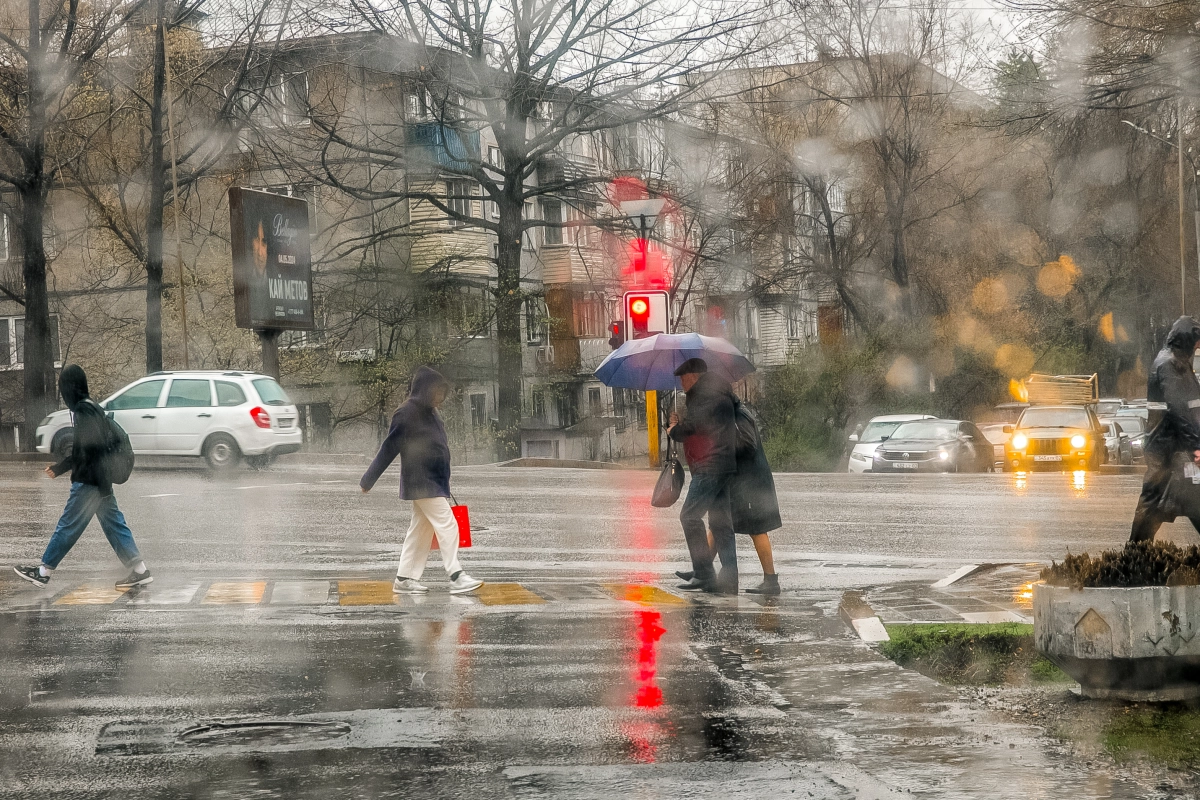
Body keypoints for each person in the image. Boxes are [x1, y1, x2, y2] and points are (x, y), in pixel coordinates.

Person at [13, 365, 151, 589]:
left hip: (89, 482)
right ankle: (140, 570)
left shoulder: (84, 412)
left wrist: (63, 468)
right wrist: (64, 468)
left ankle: (43, 571)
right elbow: (89, 448)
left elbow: (88, 450)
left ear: (69, 388)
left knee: (68, 525)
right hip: (100, 481)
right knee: (114, 525)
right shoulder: (92, 407)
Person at [360, 366, 483, 595]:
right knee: (447, 524)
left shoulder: (431, 413)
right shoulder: (406, 413)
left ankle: (404, 578)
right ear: (425, 390)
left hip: (434, 480)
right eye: (437, 393)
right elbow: (389, 448)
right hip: (421, 481)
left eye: (442, 394)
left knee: (419, 531)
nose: (440, 398)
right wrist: (368, 480)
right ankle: (456, 575)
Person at [667, 358, 739, 594]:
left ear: (694, 376)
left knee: (689, 517)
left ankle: (705, 573)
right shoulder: (719, 391)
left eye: (683, 377)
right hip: (725, 463)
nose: (681, 382)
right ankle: (729, 578)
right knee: (721, 523)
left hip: (710, 465)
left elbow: (692, 429)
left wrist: (673, 430)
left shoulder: (704, 395)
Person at [1130, 316, 1200, 542]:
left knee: (1156, 502)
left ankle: (1134, 555)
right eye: (1197, 342)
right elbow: (1180, 410)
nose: (1199, 347)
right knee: (1157, 502)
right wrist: (1196, 445)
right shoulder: (1171, 365)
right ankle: (1134, 556)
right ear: (1188, 340)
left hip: (1166, 448)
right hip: (1169, 449)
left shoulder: (1172, 361)